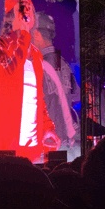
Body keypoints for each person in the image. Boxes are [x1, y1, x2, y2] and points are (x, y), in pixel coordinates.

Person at [0, 0, 60, 163]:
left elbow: (39, 99)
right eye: (22, 10)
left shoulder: (37, 55)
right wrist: (23, 34)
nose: (27, 14)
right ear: (10, 16)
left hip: (32, 148)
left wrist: (47, 128)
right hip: (6, 147)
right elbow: (9, 72)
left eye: (30, 9)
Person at [32, 11, 80, 149]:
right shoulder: (61, 61)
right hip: (67, 139)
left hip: (48, 140)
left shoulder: (37, 64)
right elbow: (76, 95)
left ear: (36, 34)